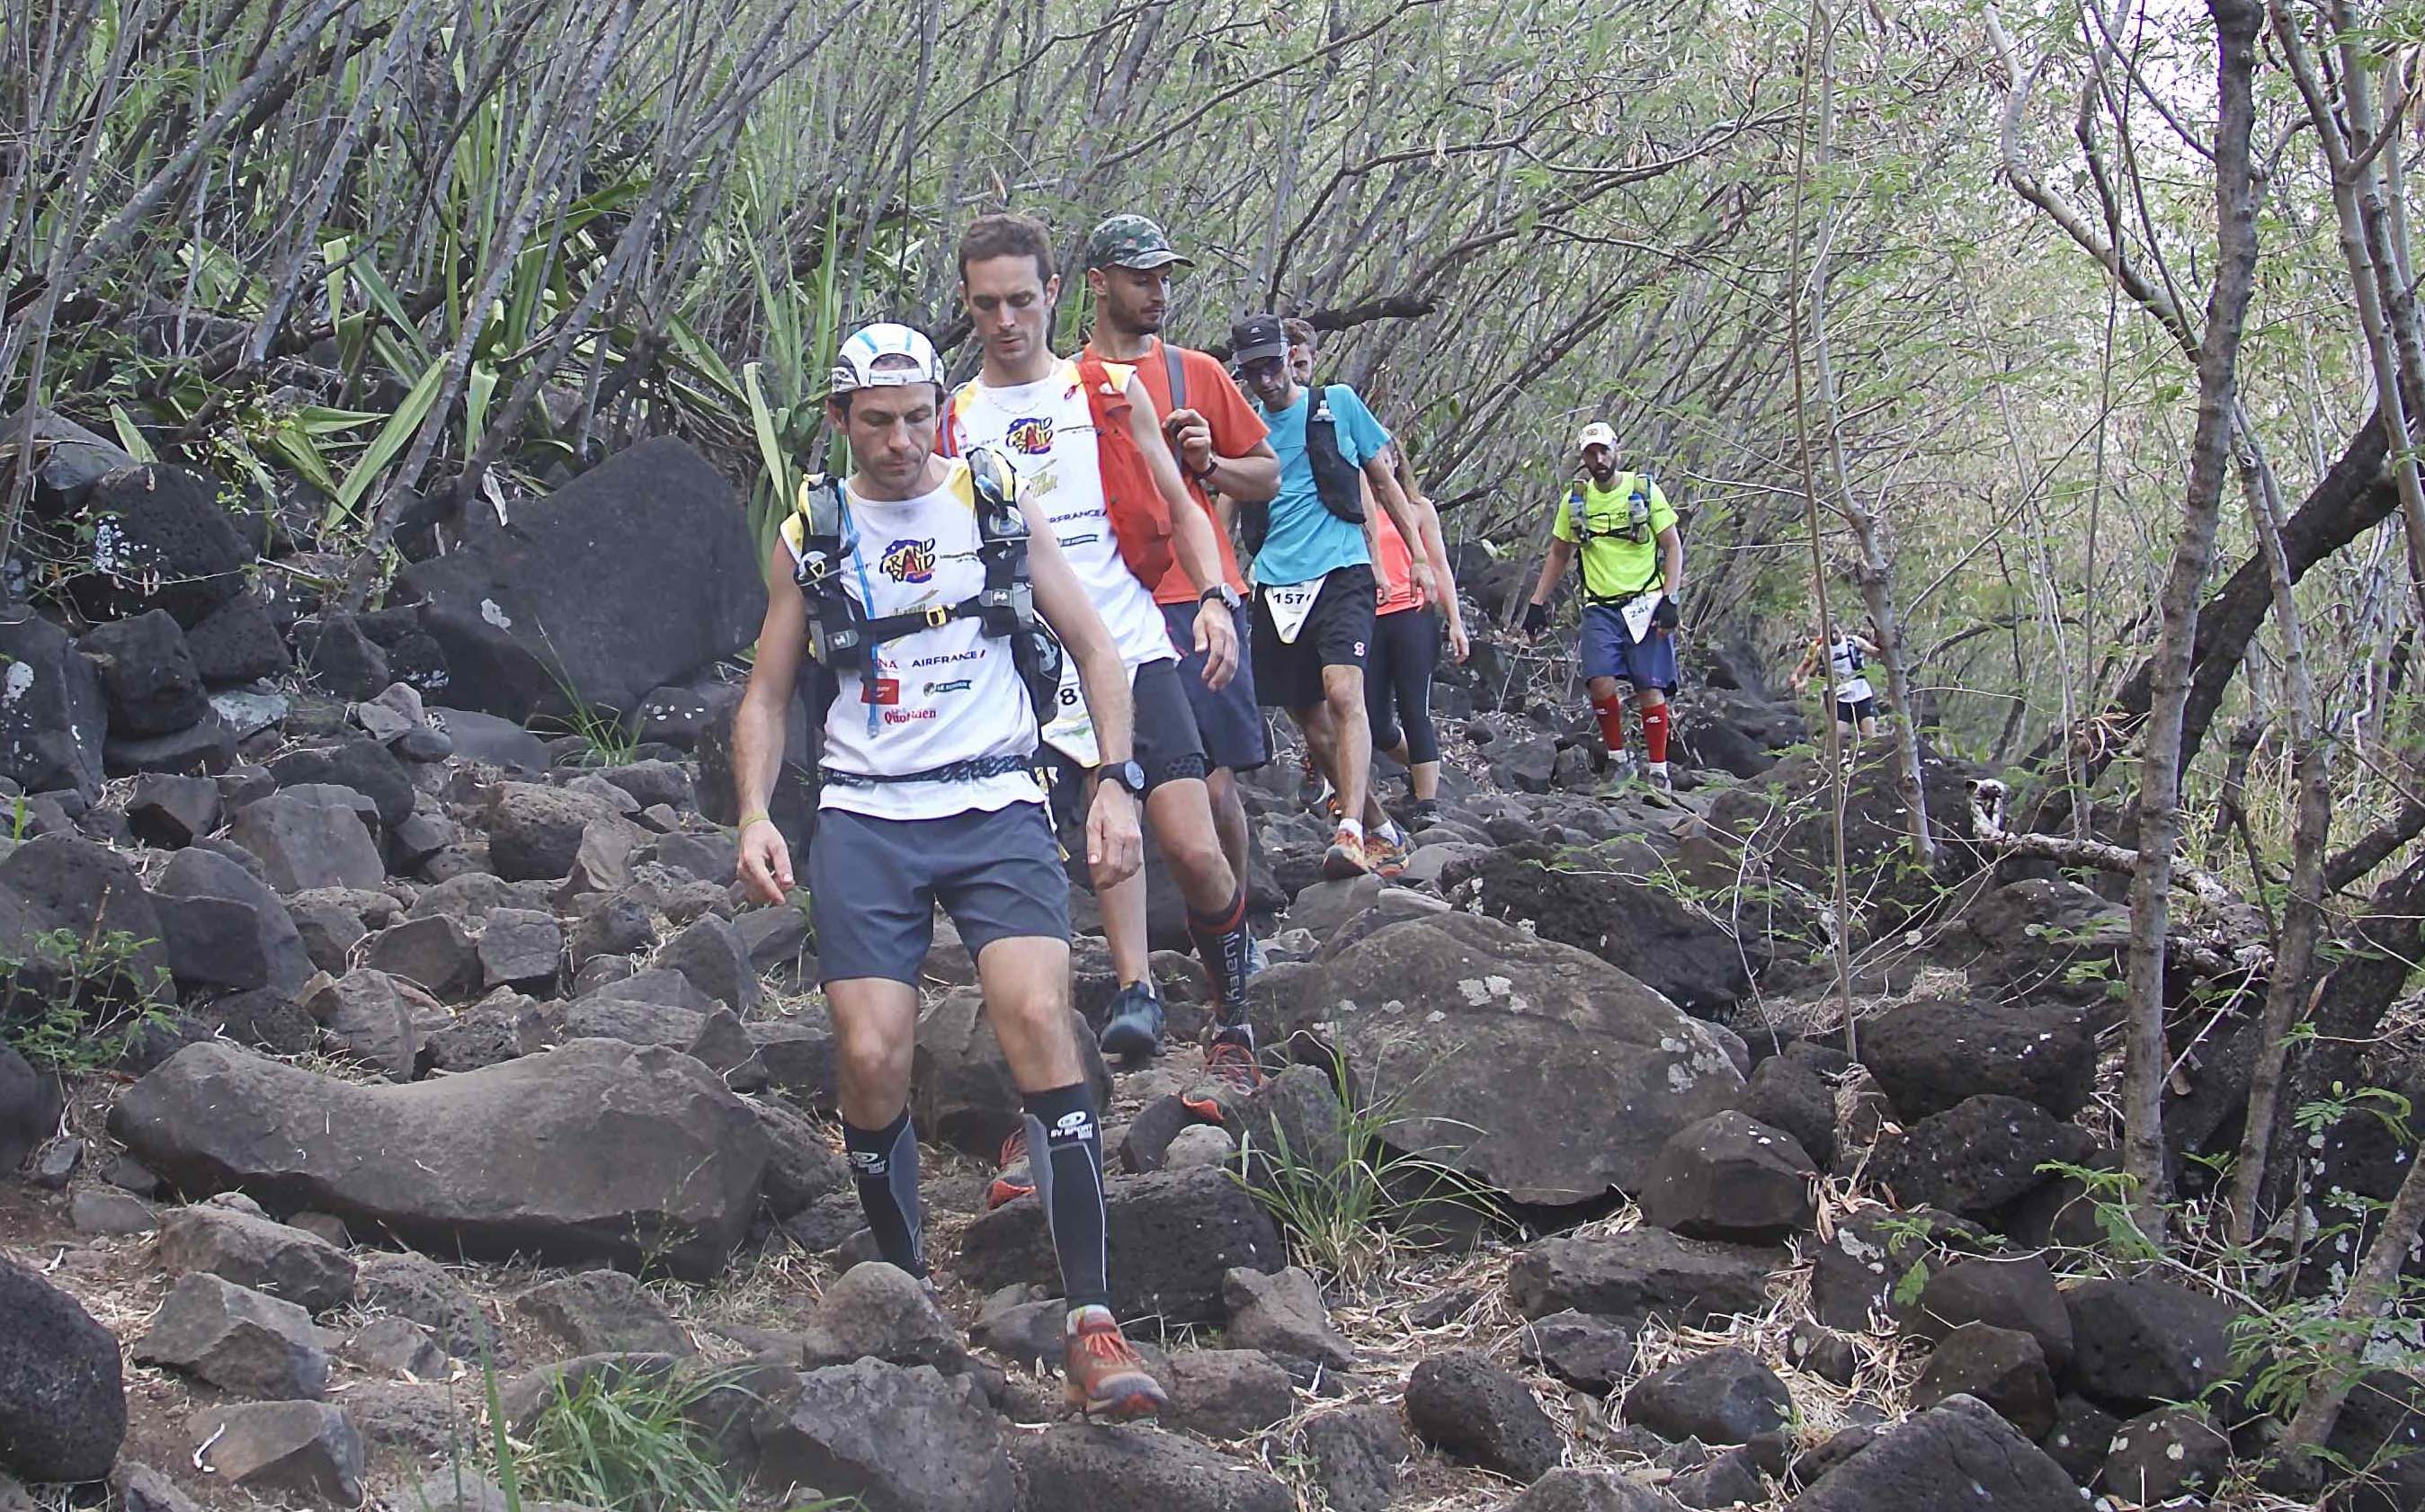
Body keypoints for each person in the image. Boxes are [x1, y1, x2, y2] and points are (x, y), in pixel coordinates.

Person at [731, 321, 1167, 1419]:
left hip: (996, 799)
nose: (899, 439)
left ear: (940, 407)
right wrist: (752, 813)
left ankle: (1091, 1317)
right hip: (868, 813)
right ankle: (906, 1291)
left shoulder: (995, 501)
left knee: (1036, 1017)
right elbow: (768, 695)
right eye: (875, 421)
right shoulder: (813, 533)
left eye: (917, 415)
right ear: (838, 421)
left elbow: (1097, 644)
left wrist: (1114, 777)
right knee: (871, 1051)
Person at [945, 212, 1261, 1085]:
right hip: (1024, 666)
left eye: (1020, 300)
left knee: (1193, 848)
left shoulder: (1112, 391)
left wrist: (1211, 598)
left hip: (1128, 640)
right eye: (985, 305)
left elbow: (1182, 502)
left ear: (1052, 293)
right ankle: (1123, 999)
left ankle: (1233, 1014)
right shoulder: (957, 423)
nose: (1005, 321)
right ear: (968, 309)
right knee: (1062, 856)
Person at [1077, 212, 1282, 981]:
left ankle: (1232, 935)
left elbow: (1265, 473)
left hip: (1197, 596)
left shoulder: (1194, 371)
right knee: (1128, 783)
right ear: (1099, 284)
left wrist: (1209, 464)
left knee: (1217, 782)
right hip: (1111, 608)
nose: (1158, 291)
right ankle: (1145, 969)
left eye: (1164, 276)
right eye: (1141, 277)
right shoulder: (1065, 387)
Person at [1231, 311, 1432, 878]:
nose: (1267, 380)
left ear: (1288, 358)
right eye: (1254, 372)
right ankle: (1379, 827)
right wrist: (1216, 584)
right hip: (1275, 581)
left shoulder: (1338, 403)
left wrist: (1417, 555)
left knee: (1343, 692)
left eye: (1273, 366)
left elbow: (1386, 480)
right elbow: (1224, 504)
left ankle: (1347, 828)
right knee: (1309, 719)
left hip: (1342, 568)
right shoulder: (1245, 430)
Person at [1282, 322, 1468, 841]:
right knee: (1374, 719)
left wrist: (1453, 620)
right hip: (1364, 608)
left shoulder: (1418, 509)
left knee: (1413, 705)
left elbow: (1439, 564)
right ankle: (1391, 779)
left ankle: (1426, 801)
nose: (1379, 461)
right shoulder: (1352, 498)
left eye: (1387, 455)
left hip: (1410, 614)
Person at [1520, 422, 1684, 792]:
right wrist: (1537, 603)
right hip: (1600, 606)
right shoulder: (1575, 502)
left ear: (1616, 449)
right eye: (1591, 454)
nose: (1599, 460)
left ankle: (1658, 772)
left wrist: (1670, 599)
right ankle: (1617, 761)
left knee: (1649, 685)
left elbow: (1672, 545)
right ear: (1583, 459)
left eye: (1604, 451)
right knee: (1599, 681)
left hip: (1646, 602)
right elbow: (1560, 552)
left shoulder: (1644, 491)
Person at [1792, 621, 1882, 742]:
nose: (1833, 636)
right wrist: (1803, 682)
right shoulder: (1822, 650)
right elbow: (1812, 671)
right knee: (1839, 735)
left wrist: (1882, 646)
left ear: (1841, 630)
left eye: (1835, 632)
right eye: (1829, 634)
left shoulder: (1854, 642)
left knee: (1870, 733)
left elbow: (1874, 652)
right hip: (1839, 696)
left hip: (1860, 692)